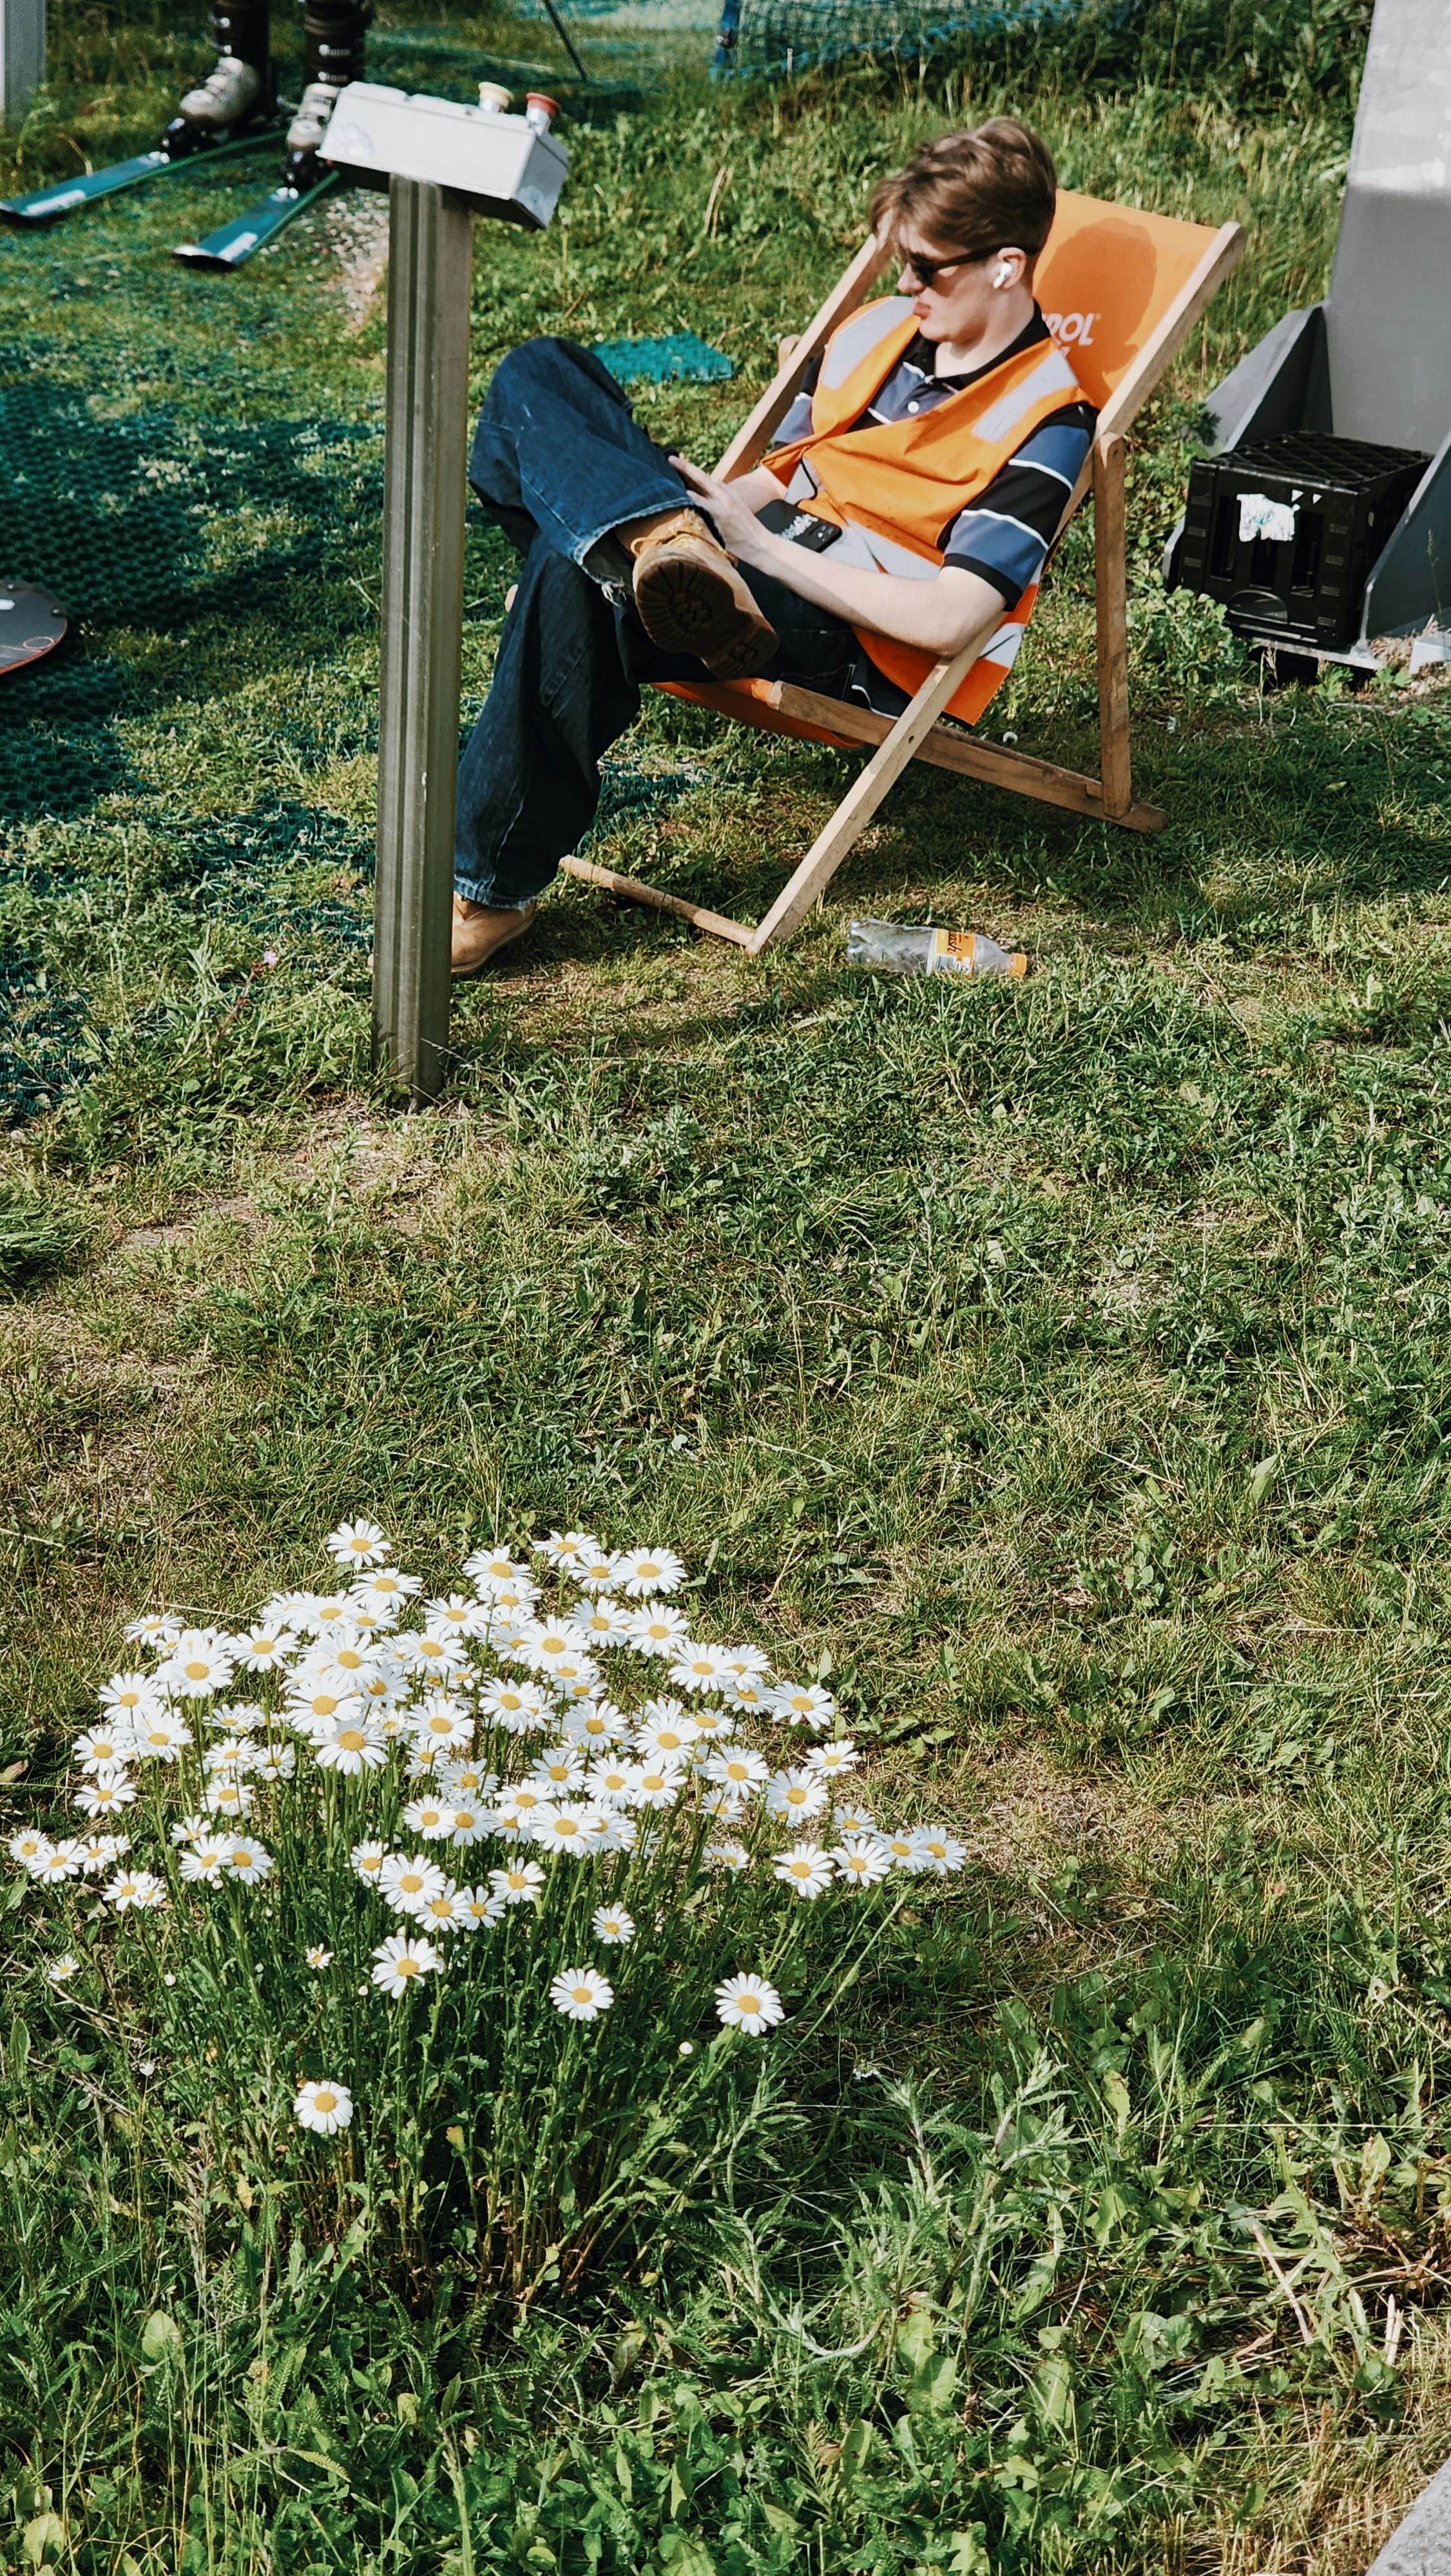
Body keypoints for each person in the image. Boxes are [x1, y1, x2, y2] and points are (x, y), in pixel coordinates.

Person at [451, 116, 1097, 977]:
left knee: (568, 580)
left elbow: (953, 618)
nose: (905, 283)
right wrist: (705, 508)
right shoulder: (878, 332)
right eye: (900, 259)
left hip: (856, 627)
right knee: (541, 370)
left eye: (928, 267)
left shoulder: (1048, 422)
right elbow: (786, 472)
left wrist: (760, 548)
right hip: (742, 557)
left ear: (1007, 266)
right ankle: (640, 541)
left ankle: (490, 889)